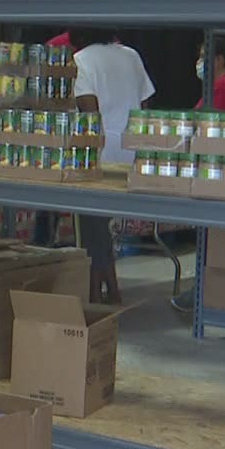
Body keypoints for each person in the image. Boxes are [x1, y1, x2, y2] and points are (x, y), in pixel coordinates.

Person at [70, 28, 156, 304]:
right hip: (131, 150)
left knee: (92, 223)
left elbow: (89, 111)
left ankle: (97, 290)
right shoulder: (131, 55)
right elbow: (145, 102)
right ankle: (109, 284)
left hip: (100, 151)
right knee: (104, 225)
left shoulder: (82, 60)